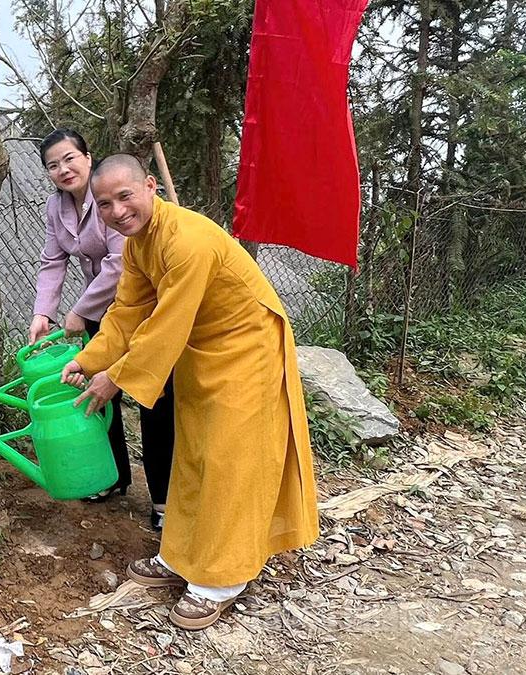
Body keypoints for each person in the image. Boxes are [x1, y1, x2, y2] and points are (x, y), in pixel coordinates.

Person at [61, 154, 319, 631]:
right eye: (105, 203)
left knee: (229, 461)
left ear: (151, 188)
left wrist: (115, 376)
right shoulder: (138, 245)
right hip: (203, 349)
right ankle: (180, 557)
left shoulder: (188, 240)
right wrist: (87, 359)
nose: (117, 210)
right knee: (194, 456)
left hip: (247, 347)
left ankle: (221, 580)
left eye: (125, 196)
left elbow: (165, 324)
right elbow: (128, 311)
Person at [28, 129, 174, 524]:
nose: (62, 169)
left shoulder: (109, 196)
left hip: (141, 307)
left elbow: (119, 261)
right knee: (96, 392)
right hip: (100, 314)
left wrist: (78, 311)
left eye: (69, 158)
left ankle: (164, 501)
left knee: (151, 398)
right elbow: (52, 259)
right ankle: (111, 477)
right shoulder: (56, 207)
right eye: (52, 165)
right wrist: (45, 312)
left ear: (88, 158)